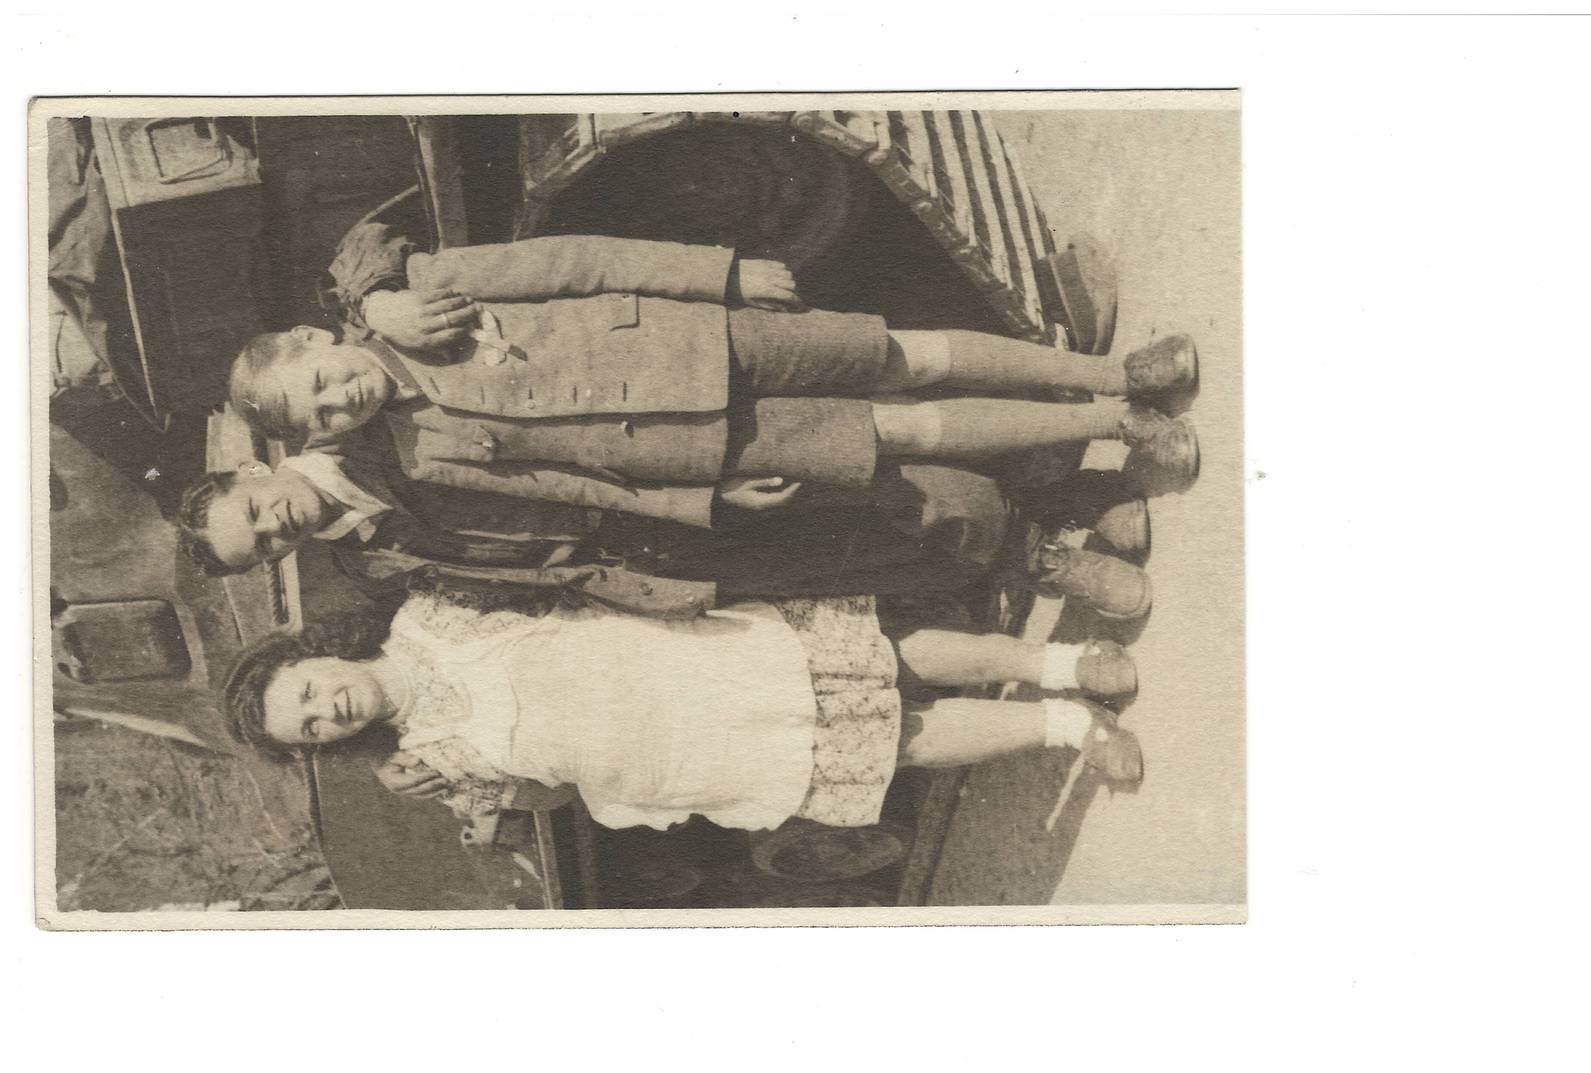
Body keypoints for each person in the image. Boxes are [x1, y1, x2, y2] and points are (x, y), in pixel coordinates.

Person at [225, 223, 1199, 518]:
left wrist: (717, 276)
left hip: (699, 337)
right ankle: (1117, 426)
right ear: (322, 441)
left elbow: (580, 261)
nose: (340, 399)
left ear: (316, 339)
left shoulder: (421, 289)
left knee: (902, 357)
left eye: (322, 380)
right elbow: (570, 486)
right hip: (695, 444)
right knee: (895, 430)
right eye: (322, 418)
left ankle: (1116, 372)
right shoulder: (422, 452)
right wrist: (701, 495)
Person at [222, 588, 1144, 835]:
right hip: (695, 757)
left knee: (885, 656)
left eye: (306, 693)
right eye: (312, 730)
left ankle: (1064, 663)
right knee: (894, 743)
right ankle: (1072, 729)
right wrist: (484, 796)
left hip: (697, 660)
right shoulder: (429, 762)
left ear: (311, 655)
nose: (327, 711)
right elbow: (550, 796)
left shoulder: (433, 610)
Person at [175, 449, 1155, 621]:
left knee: (853, 481)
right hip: (632, 559)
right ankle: (1052, 525)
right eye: (262, 549)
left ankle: (1056, 523)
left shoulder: (358, 428)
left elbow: (366, 261)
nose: (275, 529)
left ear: (253, 472)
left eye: (254, 513)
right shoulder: (366, 559)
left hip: (640, 471)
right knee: (839, 553)